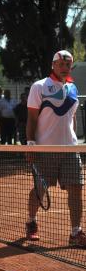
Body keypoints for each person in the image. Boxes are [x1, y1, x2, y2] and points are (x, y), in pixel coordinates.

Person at [25, 50, 85, 247]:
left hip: (70, 149)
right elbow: (32, 118)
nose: (65, 67)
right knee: (40, 189)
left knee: (76, 189)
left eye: (68, 64)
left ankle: (76, 232)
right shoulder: (39, 87)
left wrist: (74, 140)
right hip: (44, 149)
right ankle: (32, 222)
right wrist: (31, 144)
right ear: (53, 65)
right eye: (61, 64)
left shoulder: (73, 89)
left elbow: (72, 118)